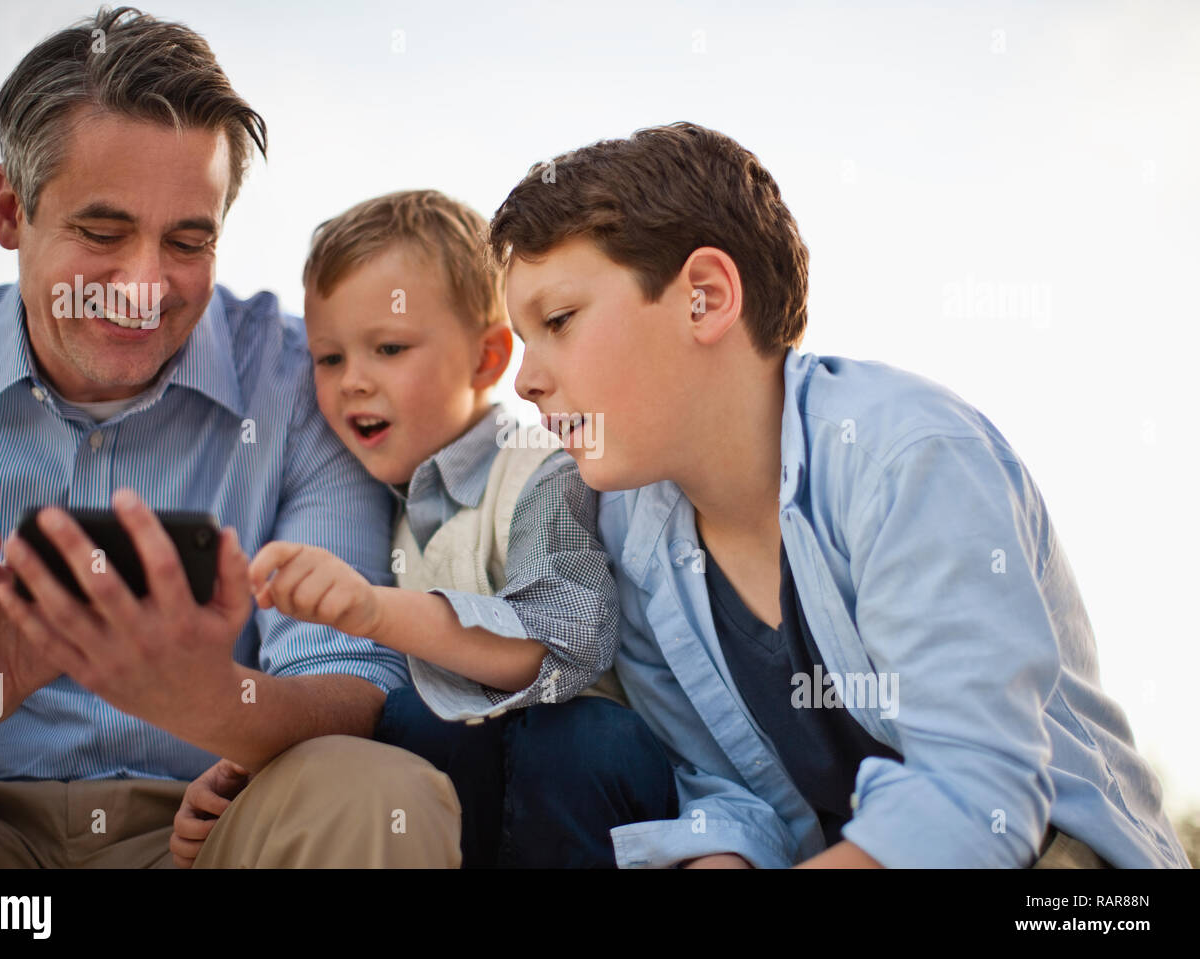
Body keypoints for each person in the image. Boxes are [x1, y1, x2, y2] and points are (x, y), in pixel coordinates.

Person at [489, 121, 1191, 869]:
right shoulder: (632, 539)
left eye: (559, 321)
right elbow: (728, 794)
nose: (526, 380)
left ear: (704, 298)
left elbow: (975, 797)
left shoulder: (905, 453)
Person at [0, 7, 460, 869]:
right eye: (102, 232)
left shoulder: (297, 378)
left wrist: (210, 699)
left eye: (189, 241)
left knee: (379, 792)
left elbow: (348, 685)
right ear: (11, 209)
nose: (144, 285)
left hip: (201, 834)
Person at [174, 189, 677, 867]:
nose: (353, 381)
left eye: (388, 347)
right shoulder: (368, 504)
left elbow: (559, 639)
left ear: (486, 359)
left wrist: (378, 610)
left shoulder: (541, 472)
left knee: (577, 737)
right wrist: (249, 776)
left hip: (583, 798)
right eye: (328, 358)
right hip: (469, 810)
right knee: (404, 719)